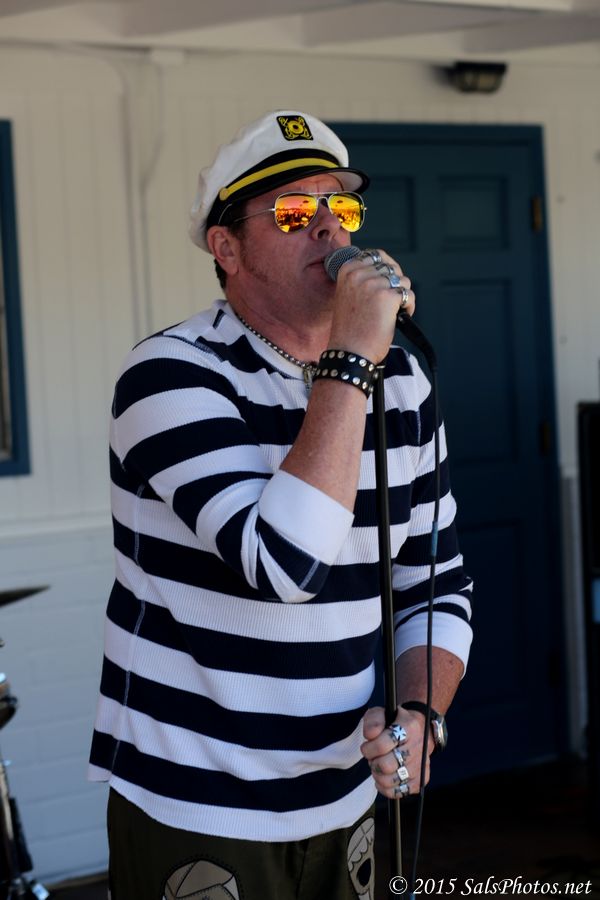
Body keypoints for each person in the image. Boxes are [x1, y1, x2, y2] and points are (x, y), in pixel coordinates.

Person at [89, 109, 473, 900]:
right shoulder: (170, 374)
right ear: (226, 249)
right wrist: (352, 358)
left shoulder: (402, 381)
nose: (330, 229)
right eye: (295, 212)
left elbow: (435, 583)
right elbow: (284, 563)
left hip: (344, 794)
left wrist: (420, 712)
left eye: (343, 208)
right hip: (198, 800)